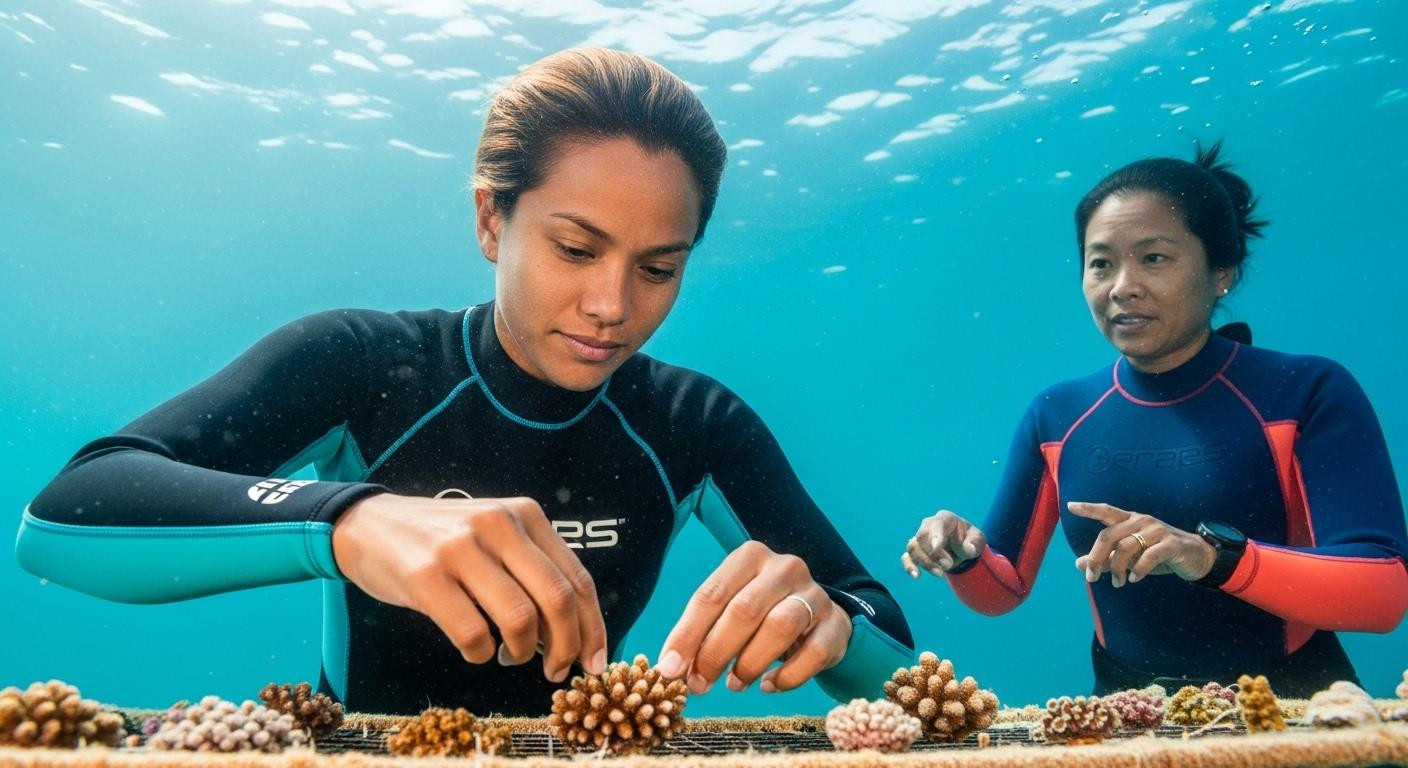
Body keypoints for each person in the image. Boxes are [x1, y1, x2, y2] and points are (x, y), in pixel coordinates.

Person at [17, 48, 913, 715]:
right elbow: (65, 517)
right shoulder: (363, 366)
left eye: (659, 268)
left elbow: (895, 659)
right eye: (575, 247)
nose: (610, 305)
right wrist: (349, 522)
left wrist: (827, 623)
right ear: (492, 219)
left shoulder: (696, 422)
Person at [900, 142, 1408, 696]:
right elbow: (1002, 590)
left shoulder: (1304, 391)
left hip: (1295, 707)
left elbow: (1383, 594)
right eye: (1101, 263)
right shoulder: (1058, 415)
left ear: (1222, 273)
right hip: (1126, 719)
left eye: (1154, 258)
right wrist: (961, 553)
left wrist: (1208, 557)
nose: (1122, 287)